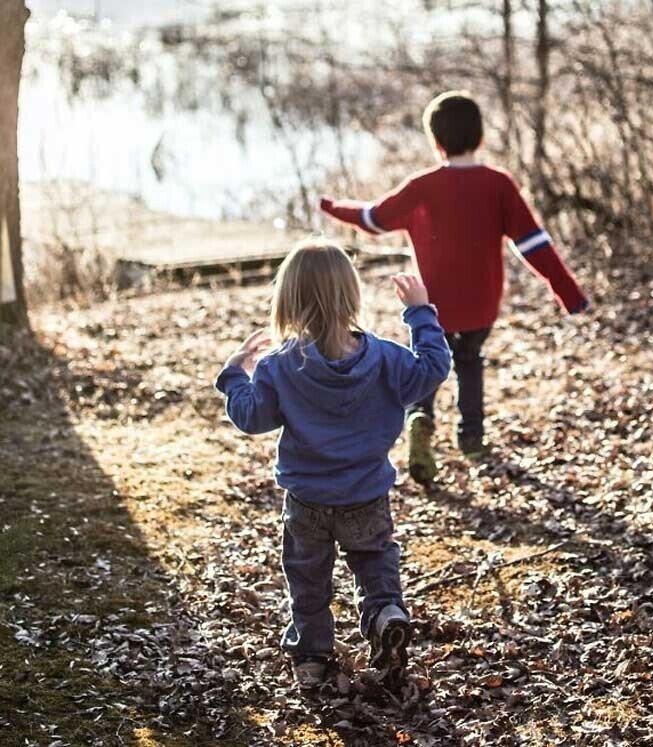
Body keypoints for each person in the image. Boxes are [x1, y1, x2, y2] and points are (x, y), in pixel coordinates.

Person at [214, 240, 451, 691]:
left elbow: (250, 417)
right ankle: (386, 615)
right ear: (352, 295)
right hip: (366, 492)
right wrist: (420, 312)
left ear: (288, 300)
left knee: (307, 579)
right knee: (374, 561)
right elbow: (432, 369)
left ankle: (312, 657)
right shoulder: (384, 357)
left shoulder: (278, 367)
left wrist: (233, 372)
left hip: (307, 500)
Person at [319, 90, 589, 485]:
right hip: (481, 304)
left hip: (432, 304)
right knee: (470, 363)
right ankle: (473, 439)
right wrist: (568, 291)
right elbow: (533, 243)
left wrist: (333, 206)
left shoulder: (422, 186)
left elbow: (373, 219)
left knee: (427, 364)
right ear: (479, 137)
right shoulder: (498, 184)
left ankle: (420, 418)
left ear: (436, 141)